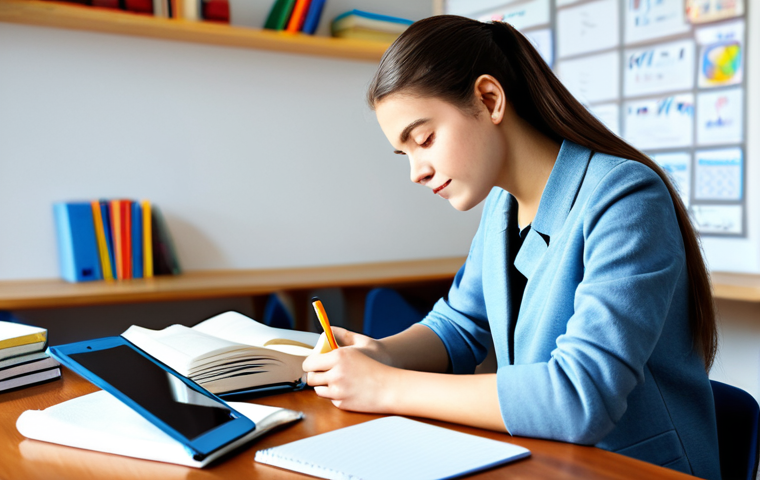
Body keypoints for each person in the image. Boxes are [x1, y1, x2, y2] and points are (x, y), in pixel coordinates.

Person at [302, 15, 720, 479]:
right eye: (406, 153)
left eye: (424, 139)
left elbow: (579, 398)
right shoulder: (503, 205)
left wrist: (386, 386)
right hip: (544, 462)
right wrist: (381, 354)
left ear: (489, 99)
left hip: (633, 468)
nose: (417, 171)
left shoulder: (626, 198)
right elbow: (459, 325)